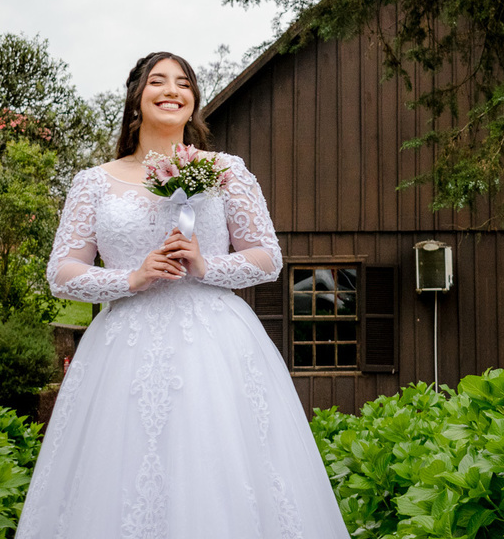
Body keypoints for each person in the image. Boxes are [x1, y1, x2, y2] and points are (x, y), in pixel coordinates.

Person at [17, 52, 349, 539]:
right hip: (123, 348)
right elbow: (62, 274)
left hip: (214, 345)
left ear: (193, 102)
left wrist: (205, 264)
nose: (172, 90)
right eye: (158, 82)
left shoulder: (226, 170)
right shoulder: (93, 182)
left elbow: (267, 258)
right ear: (136, 98)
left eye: (184, 84)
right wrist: (132, 278)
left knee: (217, 465)